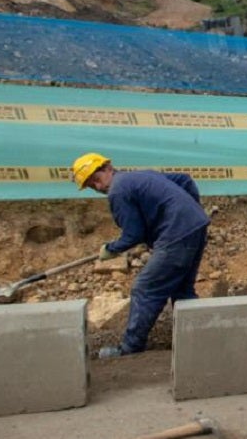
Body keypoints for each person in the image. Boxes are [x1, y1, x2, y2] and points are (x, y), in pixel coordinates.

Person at [71, 152, 211, 358]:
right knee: (182, 289)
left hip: (176, 233)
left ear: (108, 168)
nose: (98, 187)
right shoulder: (140, 176)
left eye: (97, 180)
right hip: (196, 226)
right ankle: (197, 340)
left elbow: (133, 234)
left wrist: (111, 249)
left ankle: (130, 348)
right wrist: (190, 211)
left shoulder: (117, 191)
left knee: (145, 289)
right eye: (92, 185)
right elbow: (185, 180)